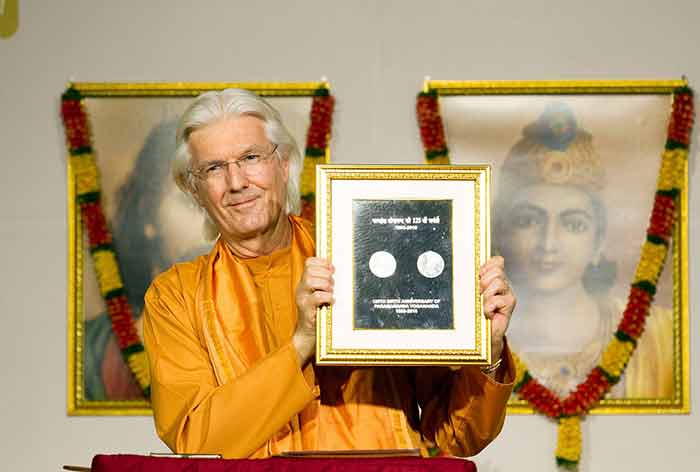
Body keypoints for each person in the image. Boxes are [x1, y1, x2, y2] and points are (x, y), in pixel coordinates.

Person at [143, 89, 517, 458]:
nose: (237, 181)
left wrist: (490, 350)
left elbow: (454, 437)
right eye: (214, 168)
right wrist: (303, 343)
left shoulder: (362, 256)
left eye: (251, 157)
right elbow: (197, 440)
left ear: (284, 164)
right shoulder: (176, 295)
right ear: (195, 189)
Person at [494, 103, 673, 399]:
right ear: (502, 233)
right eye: (528, 220)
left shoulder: (659, 335)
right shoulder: (476, 338)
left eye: (574, 225)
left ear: (598, 242)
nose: (548, 243)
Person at [84, 120, 212, 401]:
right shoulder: (94, 349)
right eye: (194, 205)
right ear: (149, 213)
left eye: (228, 202)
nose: (216, 224)